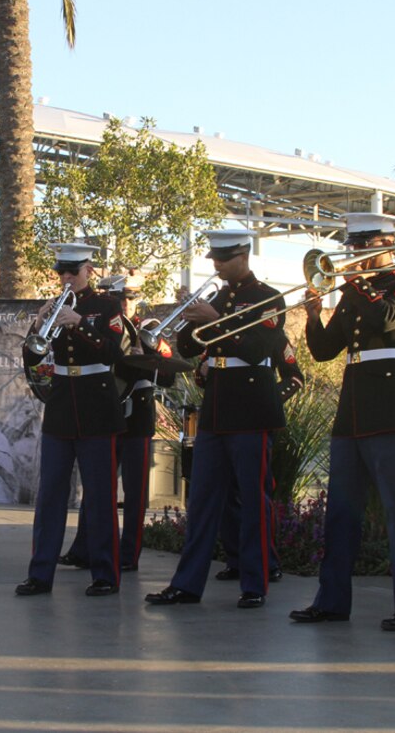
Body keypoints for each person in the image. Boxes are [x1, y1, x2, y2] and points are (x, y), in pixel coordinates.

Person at [288, 213, 395, 631]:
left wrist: (356, 281)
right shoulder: (354, 292)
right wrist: (314, 315)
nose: (352, 254)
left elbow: (387, 318)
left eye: (362, 246)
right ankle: (331, 600)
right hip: (352, 409)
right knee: (341, 513)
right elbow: (326, 350)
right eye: (352, 246)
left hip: (388, 405)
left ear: (387, 245)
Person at [145, 228, 289, 610]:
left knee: (255, 501)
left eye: (224, 259)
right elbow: (191, 348)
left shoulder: (267, 298)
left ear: (244, 255)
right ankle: (187, 584)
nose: (218, 266)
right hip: (217, 409)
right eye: (215, 260)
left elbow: (260, 349)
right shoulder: (219, 296)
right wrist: (194, 320)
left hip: (252, 407)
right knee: (203, 501)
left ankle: (255, 583)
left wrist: (216, 319)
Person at [16, 242, 127, 597]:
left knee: (100, 497)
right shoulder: (55, 306)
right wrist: (38, 323)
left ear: (88, 271)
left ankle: (105, 574)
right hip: (62, 404)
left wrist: (79, 323)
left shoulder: (106, 306)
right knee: (50, 495)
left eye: (72, 272)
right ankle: (40, 574)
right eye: (60, 272)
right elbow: (33, 356)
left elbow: (114, 353)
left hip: (97, 403)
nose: (65, 278)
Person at [58, 272, 176, 573]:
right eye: (118, 298)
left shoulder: (150, 330)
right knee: (97, 486)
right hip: (104, 409)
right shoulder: (100, 325)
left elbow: (169, 376)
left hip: (136, 413)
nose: (123, 303)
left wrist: (145, 359)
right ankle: (83, 548)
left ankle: (129, 554)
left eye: (129, 298)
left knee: (134, 492)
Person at [214, 327, 304, 583]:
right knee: (226, 495)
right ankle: (235, 559)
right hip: (224, 418)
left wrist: (266, 397)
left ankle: (268, 562)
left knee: (255, 493)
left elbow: (294, 378)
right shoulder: (222, 334)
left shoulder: (272, 336)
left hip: (256, 418)